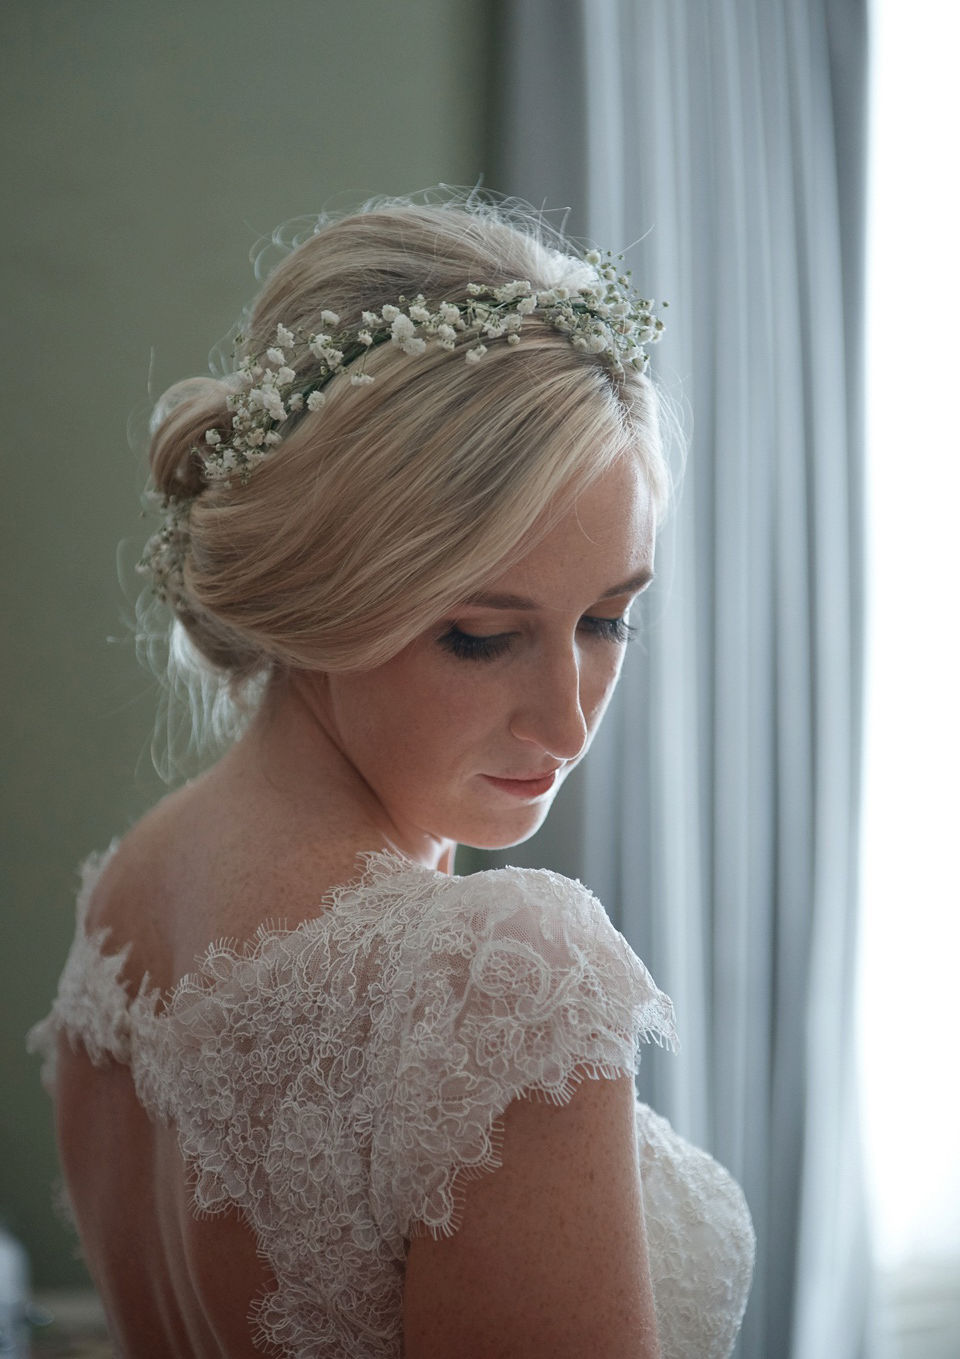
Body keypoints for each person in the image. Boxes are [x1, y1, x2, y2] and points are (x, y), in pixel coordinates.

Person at [28, 196, 754, 1358]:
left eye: (610, 619)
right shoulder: (499, 978)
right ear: (321, 590)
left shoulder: (125, 903)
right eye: (480, 635)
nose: (568, 719)